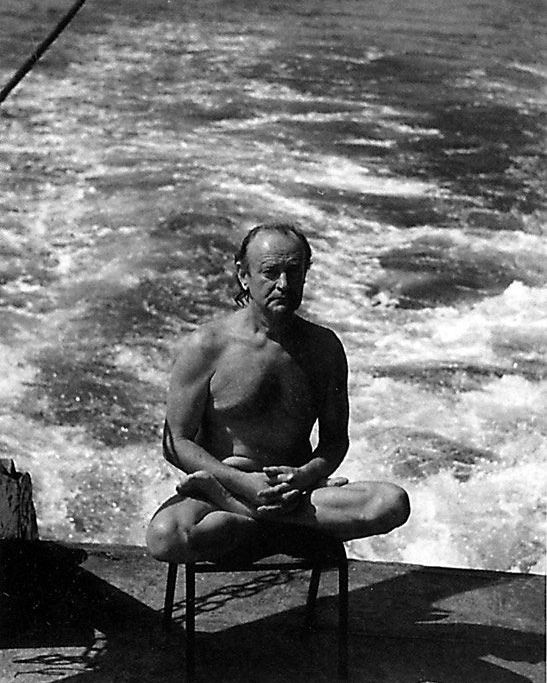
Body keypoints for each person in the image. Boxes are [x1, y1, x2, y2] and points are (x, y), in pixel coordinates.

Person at [146, 223, 410, 564]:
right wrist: (242, 483)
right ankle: (276, 523)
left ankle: (252, 519)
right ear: (244, 275)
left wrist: (305, 476)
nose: (283, 284)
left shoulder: (324, 348)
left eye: (293, 272)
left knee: (392, 503)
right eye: (270, 272)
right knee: (166, 536)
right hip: (224, 486)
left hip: (296, 494)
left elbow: (334, 441)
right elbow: (176, 442)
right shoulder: (208, 345)